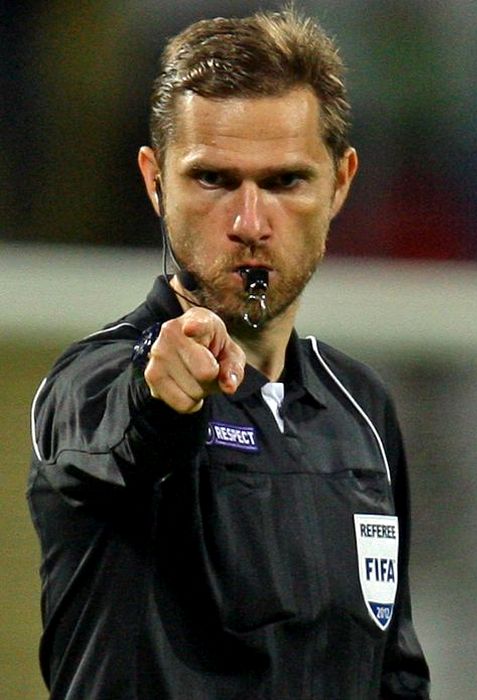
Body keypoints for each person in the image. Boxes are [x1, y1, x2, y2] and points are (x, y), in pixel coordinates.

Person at [27, 8, 431, 699]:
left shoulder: (361, 410)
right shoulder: (92, 380)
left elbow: (393, 672)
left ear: (340, 183)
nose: (249, 223)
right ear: (156, 181)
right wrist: (159, 397)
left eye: (285, 182)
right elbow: (117, 438)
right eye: (213, 179)